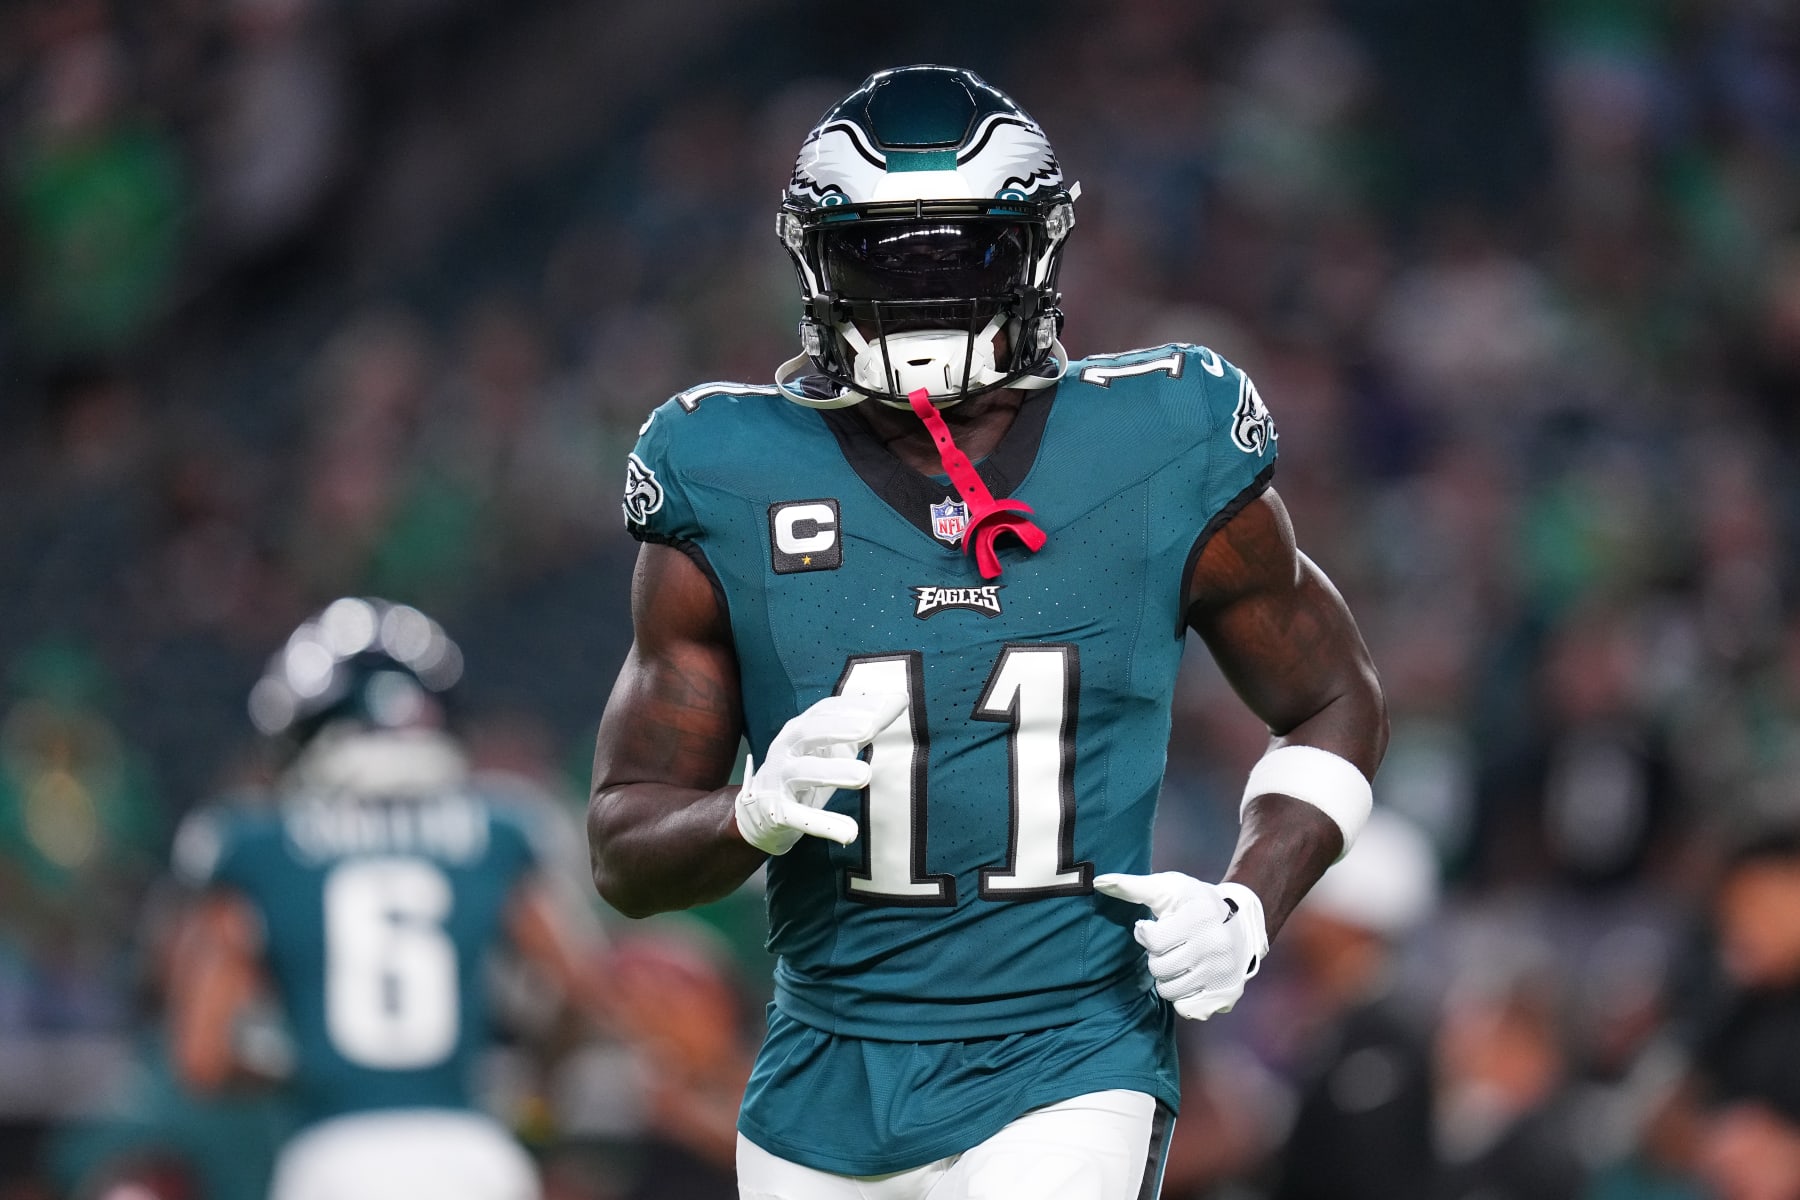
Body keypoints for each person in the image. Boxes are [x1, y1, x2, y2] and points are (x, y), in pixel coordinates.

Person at [589, 64, 1388, 1199]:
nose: (921, 298)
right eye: (882, 257)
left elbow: (1335, 698)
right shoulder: (723, 473)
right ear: (817, 261)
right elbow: (623, 847)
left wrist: (1250, 901)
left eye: (962, 256)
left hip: (1070, 1049)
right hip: (825, 1068)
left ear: (1036, 253)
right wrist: (750, 814)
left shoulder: (1161, 438)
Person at [166, 597, 614, 1200]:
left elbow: (202, 1060)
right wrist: (537, 1082)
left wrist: (307, 1068)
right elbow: (584, 991)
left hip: (333, 1162)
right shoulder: (500, 831)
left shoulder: (253, 846)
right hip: (474, 1159)